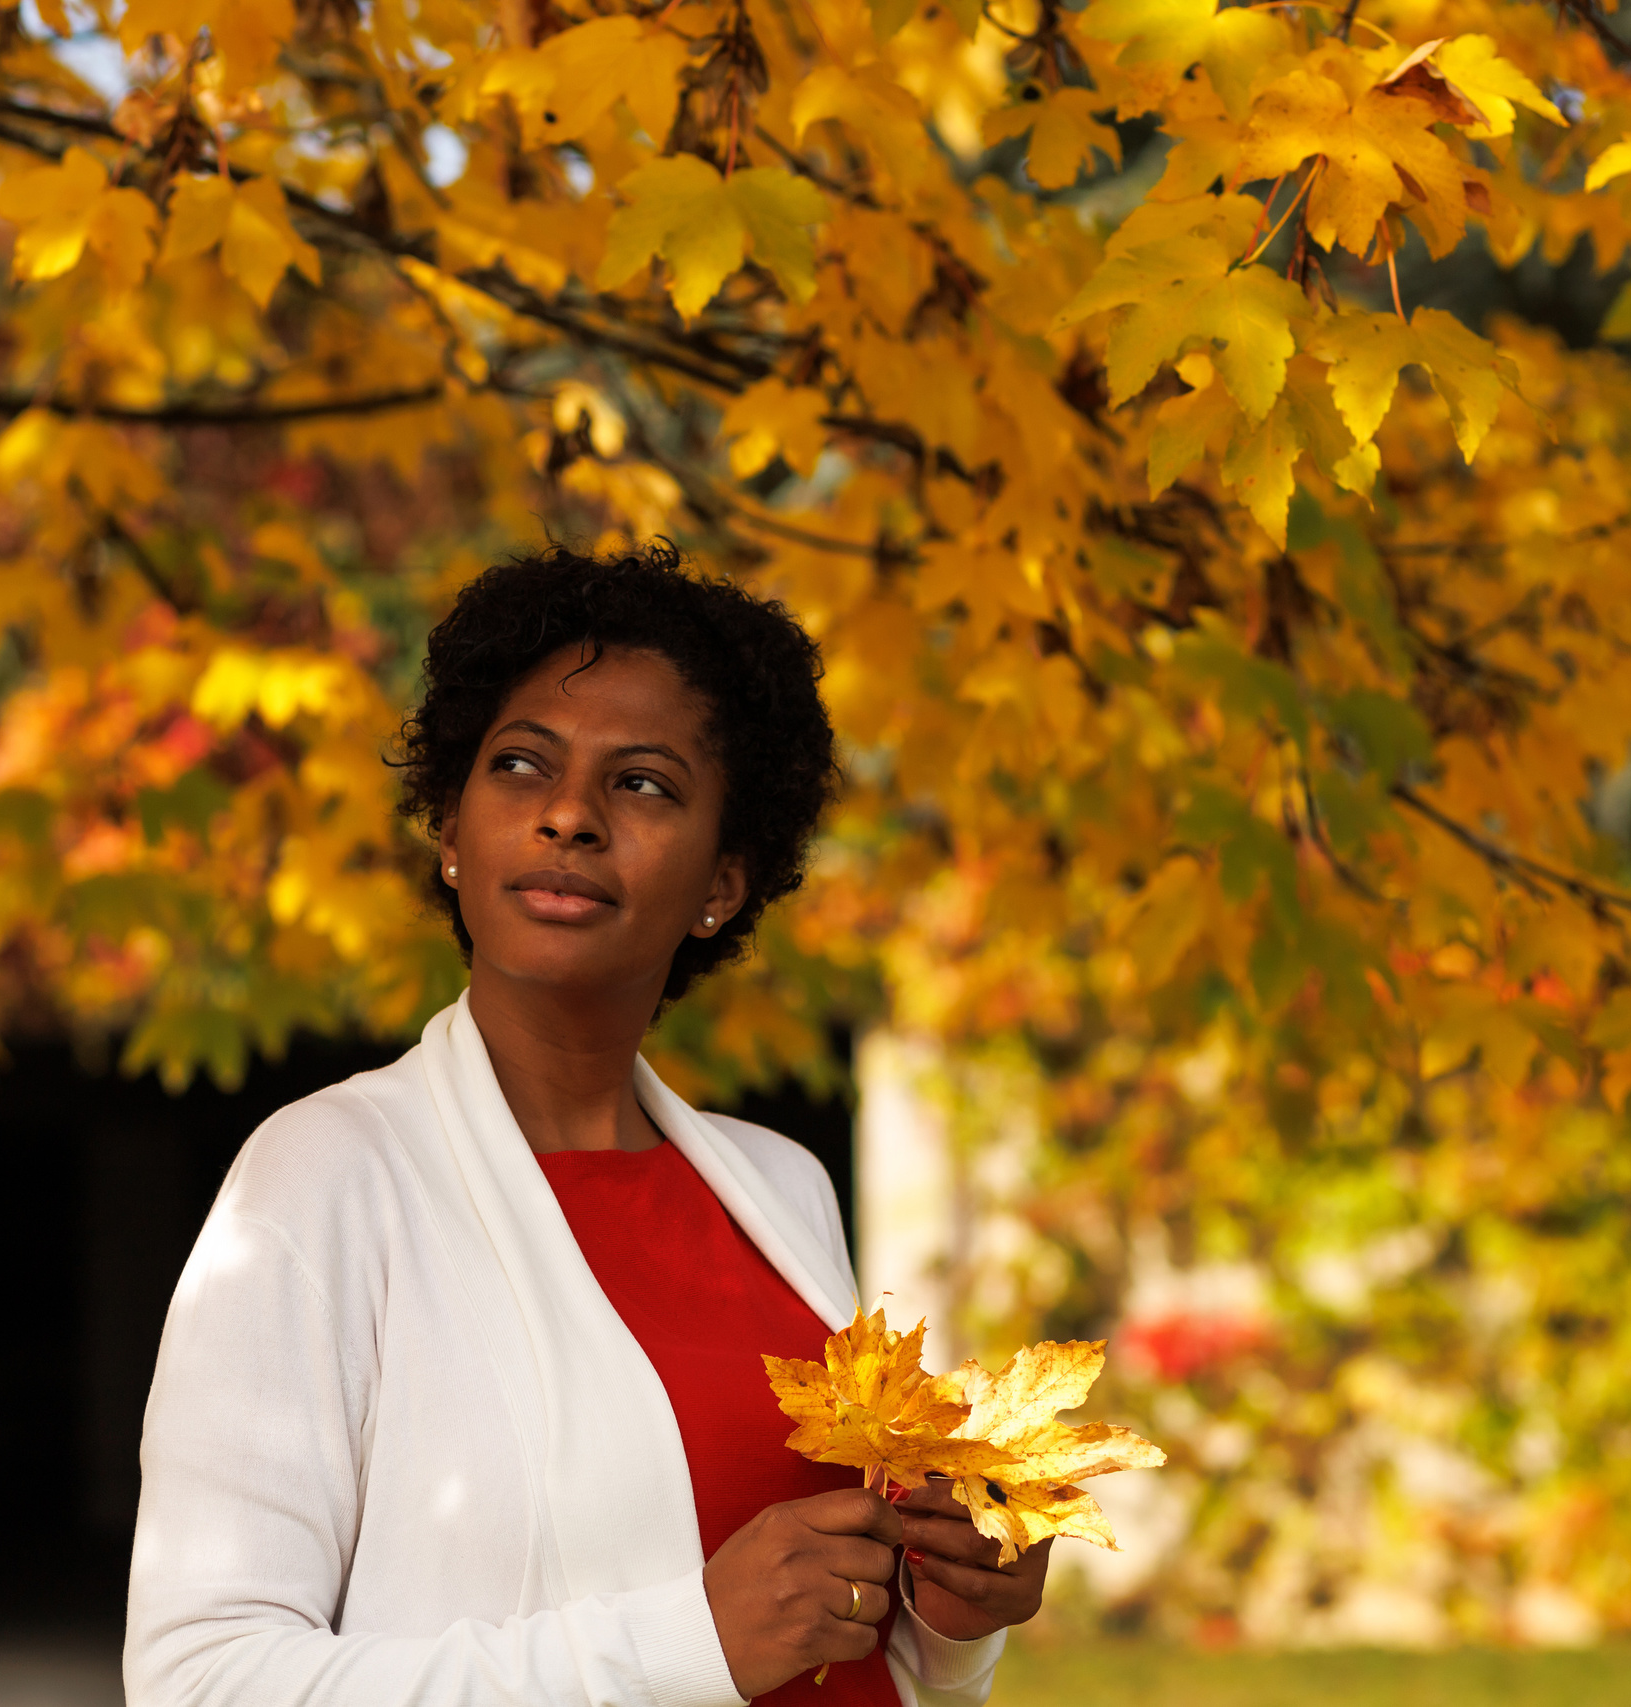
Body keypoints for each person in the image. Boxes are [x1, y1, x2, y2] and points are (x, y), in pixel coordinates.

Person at [124, 545, 1049, 1707]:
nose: (568, 815)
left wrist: (955, 1614)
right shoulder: (322, 1181)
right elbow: (201, 1682)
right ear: (450, 830)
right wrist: (685, 1644)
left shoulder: (780, 1189)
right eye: (520, 767)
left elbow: (844, 1651)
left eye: (644, 784)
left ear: (722, 882)